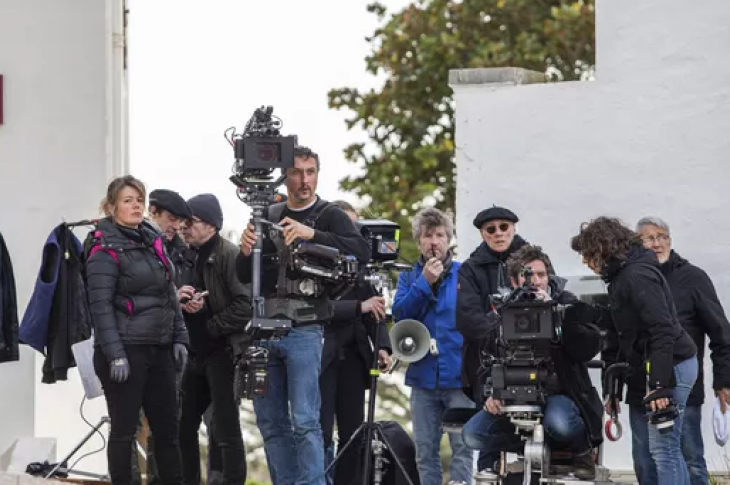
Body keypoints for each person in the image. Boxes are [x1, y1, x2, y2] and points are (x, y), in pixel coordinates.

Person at [237, 146, 370, 484]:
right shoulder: (268, 211)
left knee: (307, 420)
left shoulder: (329, 214)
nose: (304, 180)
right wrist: (245, 250)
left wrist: (313, 235)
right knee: (270, 423)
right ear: (285, 175)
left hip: (306, 328)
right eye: (297, 172)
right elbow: (244, 275)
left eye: (310, 172)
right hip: (266, 328)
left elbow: (361, 252)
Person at [570, 216, 698, 485]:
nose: (585, 261)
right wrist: (591, 314)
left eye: (588, 254)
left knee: (664, 450)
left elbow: (661, 329)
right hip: (646, 368)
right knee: (645, 454)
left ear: (603, 248)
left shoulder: (638, 274)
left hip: (671, 364)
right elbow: (626, 329)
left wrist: (660, 384)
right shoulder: (621, 275)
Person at [460, 245, 604, 480]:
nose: (535, 281)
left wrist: (557, 314)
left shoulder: (566, 303)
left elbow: (588, 348)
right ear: (515, 282)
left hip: (560, 392)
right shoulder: (501, 313)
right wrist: (491, 393)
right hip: (513, 392)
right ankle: (529, 450)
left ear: (549, 277)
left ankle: (580, 451)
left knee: (560, 424)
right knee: (472, 435)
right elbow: (483, 358)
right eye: (528, 275)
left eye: (541, 274)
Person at [85, 175, 189, 485]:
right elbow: (100, 307)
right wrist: (115, 353)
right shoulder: (103, 247)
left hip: (159, 349)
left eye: (139, 200)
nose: (135, 205)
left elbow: (169, 292)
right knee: (124, 430)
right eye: (127, 200)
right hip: (126, 350)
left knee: (168, 431)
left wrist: (180, 336)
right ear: (111, 206)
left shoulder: (151, 240)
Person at [633, 216, 730, 485]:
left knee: (690, 459)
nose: (657, 243)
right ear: (638, 243)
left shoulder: (692, 277)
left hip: (683, 388)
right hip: (642, 388)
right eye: (649, 238)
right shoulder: (633, 277)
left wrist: (723, 380)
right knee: (645, 463)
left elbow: (721, 332)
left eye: (662, 236)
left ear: (670, 240)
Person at [392, 207, 473, 485]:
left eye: (440, 235)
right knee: (425, 452)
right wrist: (425, 283)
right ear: (419, 242)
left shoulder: (465, 275)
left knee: (463, 449)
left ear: (449, 239)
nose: (434, 241)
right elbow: (401, 316)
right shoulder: (407, 278)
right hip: (423, 379)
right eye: (428, 236)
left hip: (459, 378)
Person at [178, 193, 249, 485]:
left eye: (191, 221)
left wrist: (211, 325)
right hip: (195, 354)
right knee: (184, 426)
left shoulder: (227, 254)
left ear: (210, 225)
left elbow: (245, 305)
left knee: (226, 428)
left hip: (222, 353)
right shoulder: (188, 254)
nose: (185, 227)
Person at [320, 200, 392, 485]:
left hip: (353, 357)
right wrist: (358, 307)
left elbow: (375, 311)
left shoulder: (363, 267)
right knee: (320, 432)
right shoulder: (313, 261)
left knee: (352, 433)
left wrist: (383, 346)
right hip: (321, 357)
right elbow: (317, 310)